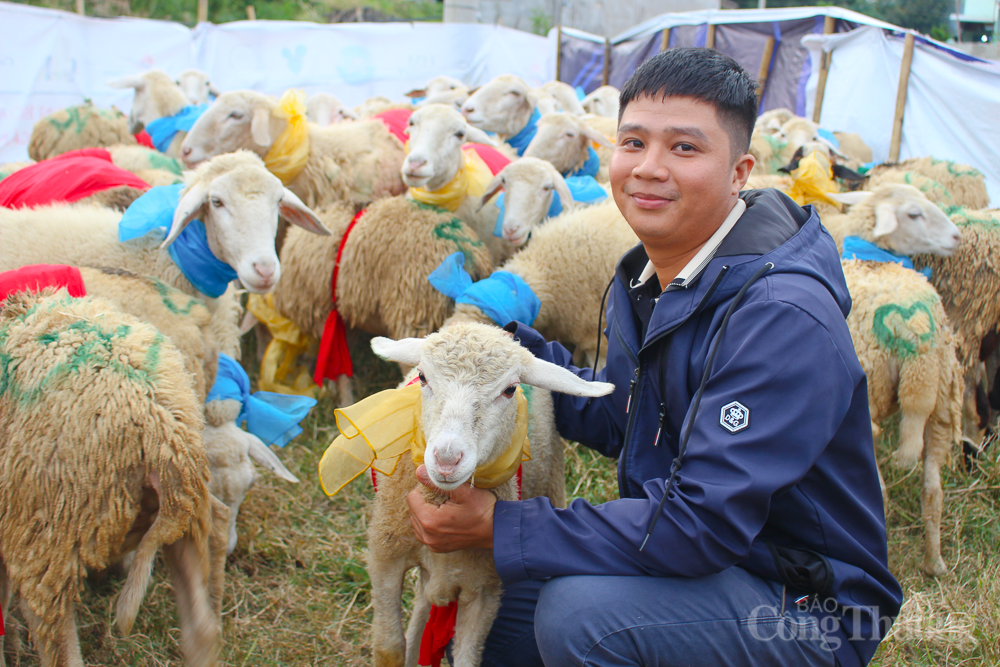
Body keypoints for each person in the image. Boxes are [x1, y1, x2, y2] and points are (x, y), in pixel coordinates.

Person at [406, 47, 902, 667]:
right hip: (718, 564)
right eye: (634, 142)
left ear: (740, 171)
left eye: (685, 149)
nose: (648, 169)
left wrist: (503, 527)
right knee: (511, 616)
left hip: (811, 609)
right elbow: (629, 417)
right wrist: (491, 360)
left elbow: (702, 527)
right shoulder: (652, 278)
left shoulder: (779, 316)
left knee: (580, 618)